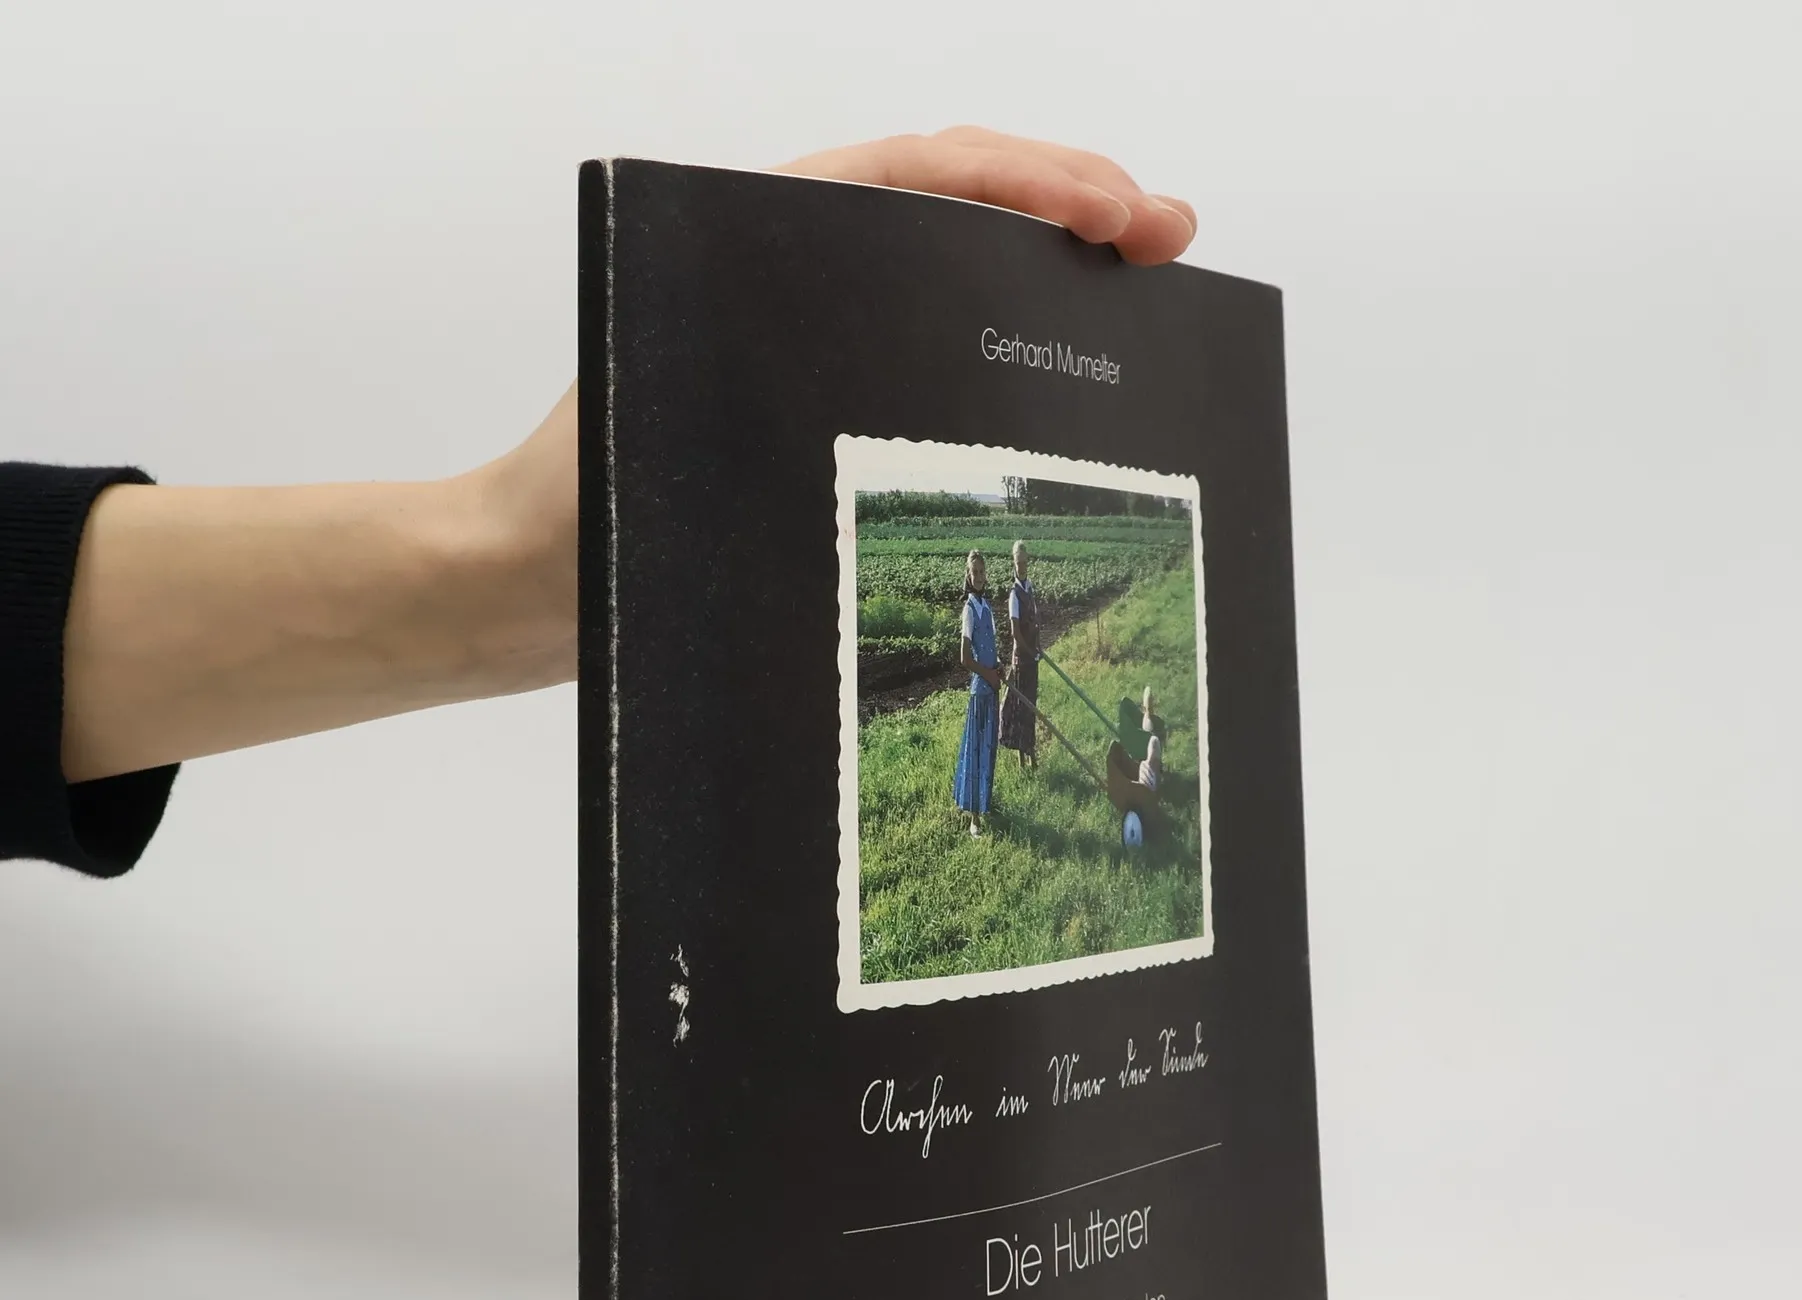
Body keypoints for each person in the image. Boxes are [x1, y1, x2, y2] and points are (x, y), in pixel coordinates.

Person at [0, 128, 1196, 877]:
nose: (994, 570)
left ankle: (1002, 805)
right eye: (992, 565)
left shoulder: (1012, 597)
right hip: (981, 685)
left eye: (1000, 566)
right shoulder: (976, 606)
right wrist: (505, 563)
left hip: (993, 681)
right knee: (976, 747)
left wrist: (516, 568)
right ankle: (980, 813)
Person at [952, 549, 1001, 836]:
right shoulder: (969, 610)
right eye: (975, 572)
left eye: (982, 572)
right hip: (980, 691)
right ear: (968, 577)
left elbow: (991, 648)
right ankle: (974, 819)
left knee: (989, 750)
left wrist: (999, 667)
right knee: (976, 751)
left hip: (992, 689)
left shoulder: (988, 608)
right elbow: (966, 658)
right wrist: (989, 675)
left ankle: (985, 804)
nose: (980, 576)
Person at [999, 540, 1042, 769]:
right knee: (1020, 708)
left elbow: (1035, 621)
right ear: (1014, 564)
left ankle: (1031, 755)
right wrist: (1029, 652)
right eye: (1019, 562)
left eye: (1025, 562)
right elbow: (1016, 632)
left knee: (1031, 707)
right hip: (1021, 660)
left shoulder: (1030, 588)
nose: (1022, 566)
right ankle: (1023, 760)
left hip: (1032, 657)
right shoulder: (1014, 595)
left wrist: (1039, 647)